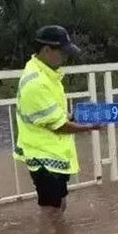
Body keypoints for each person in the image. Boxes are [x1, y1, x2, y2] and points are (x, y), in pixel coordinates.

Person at [13, 25, 102, 220]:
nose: (65, 57)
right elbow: (59, 126)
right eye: (62, 52)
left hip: (52, 153)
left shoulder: (46, 75)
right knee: (51, 210)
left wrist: (77, 115)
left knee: (59, 204)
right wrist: (90, 127)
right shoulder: (36, 82)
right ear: (46, 50)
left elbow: (56, 116)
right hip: (42, 156)